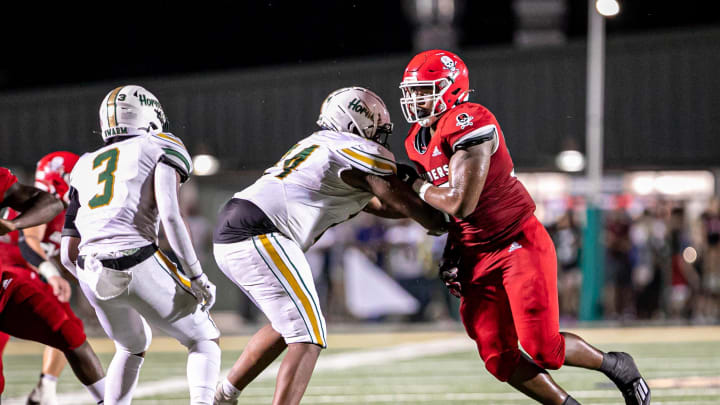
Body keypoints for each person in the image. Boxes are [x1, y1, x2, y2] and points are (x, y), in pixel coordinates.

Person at [397, 49, 650, 405]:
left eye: (425, 90)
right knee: (497, 356)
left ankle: (617, 365)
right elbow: (455, 216)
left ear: (452, 88)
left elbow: (459, 202)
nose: (416, 100)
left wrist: (417, 186)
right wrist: (454, 249)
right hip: (475, 251)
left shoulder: (470, 118)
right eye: (413, 92)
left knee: (544, 348)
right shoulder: (416, 140)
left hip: (516, 242)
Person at [213, 87, 447, 405]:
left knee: (288, 325)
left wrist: (418, 202)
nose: (381, 135)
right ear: (356, 123)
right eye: (377, 126)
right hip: (259, 231)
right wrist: (440, 211)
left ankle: (222, 396)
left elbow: (383, 205)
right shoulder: (355, 150)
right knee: (309, 333)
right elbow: (402, 203)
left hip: (241, 227)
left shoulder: (321, 145)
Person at [60, 85, 220, 405]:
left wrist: (94, 281)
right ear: (147, 114)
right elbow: (172, 217)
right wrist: (197, 275)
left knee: (131, 344)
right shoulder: (159, 143)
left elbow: (67, 252)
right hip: (137, 257)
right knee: (204, 339)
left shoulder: (84, 164)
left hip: (90, 266)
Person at [0, 166, 106, 404]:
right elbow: (30, 243)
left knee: (69, 331)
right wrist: (52, 272)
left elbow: (48, 205)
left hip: (8, 283)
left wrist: (14, 224)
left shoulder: (68, 210)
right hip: (17, 269)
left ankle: (52, 390)